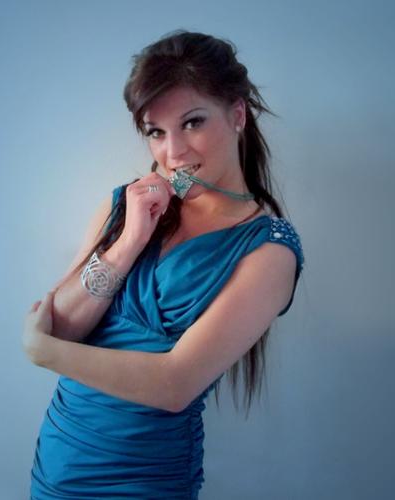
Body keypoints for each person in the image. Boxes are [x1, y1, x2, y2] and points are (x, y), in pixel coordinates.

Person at [23, 29, 305, 499]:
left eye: (192, 123)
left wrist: (42, 352)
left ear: (238, 115)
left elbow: (175, 384)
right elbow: (64, 324)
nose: (173, 152)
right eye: (156, 131)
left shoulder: (269, 250)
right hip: (61, 457)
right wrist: (129, 241)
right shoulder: (127, 205)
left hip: (146, 477)